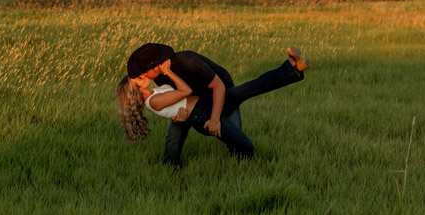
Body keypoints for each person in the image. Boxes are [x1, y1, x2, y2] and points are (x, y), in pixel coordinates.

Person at [118, 44, 311, 167]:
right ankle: (170, 167)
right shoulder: (159, 76)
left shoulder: (187, 61)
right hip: (197, 103)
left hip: (219, 90)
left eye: (139, 74)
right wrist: (175, 114)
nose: (137, 78)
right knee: (175, 131)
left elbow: (217, 86)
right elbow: (176, 94)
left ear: (152, 67)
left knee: (241, 121)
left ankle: (293, 68)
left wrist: (215, 119)